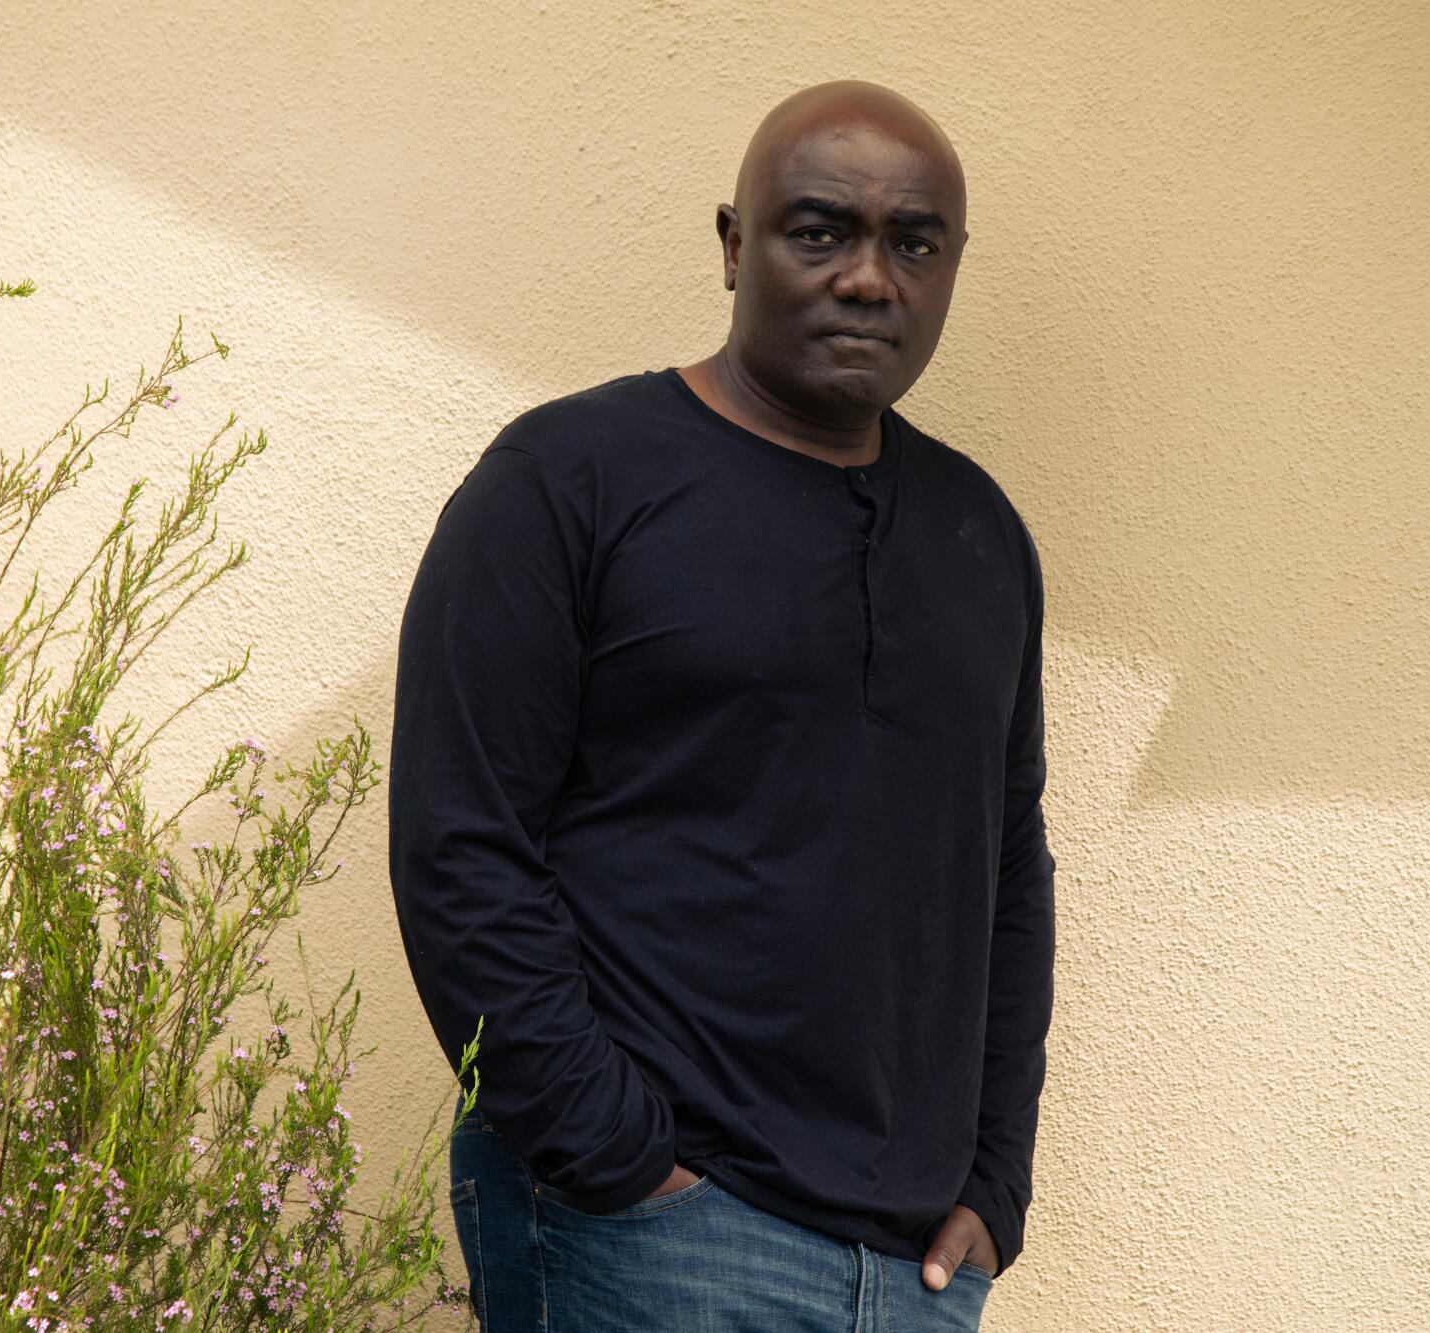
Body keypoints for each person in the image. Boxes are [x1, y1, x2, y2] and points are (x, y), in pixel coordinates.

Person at [388, 78, 1055, 1331]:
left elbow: (1004, 868)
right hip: (650, 1238)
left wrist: (992, 1179)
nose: (868, 278)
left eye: (913, 244)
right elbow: (459, 842)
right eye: (819, 231)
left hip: (915, 1269)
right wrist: (620, 1163)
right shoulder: (568, 481)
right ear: (734, 242)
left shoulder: (981, 534)